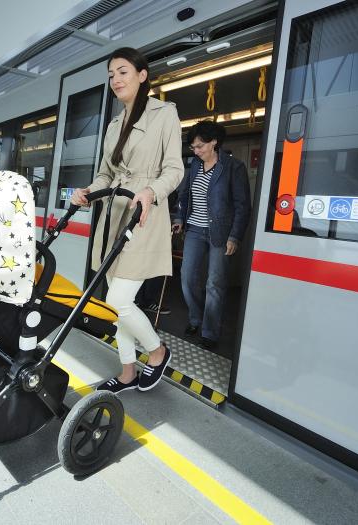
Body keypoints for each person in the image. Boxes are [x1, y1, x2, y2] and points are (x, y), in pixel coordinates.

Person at [70, 47, 183, 393]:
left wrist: (150, 191)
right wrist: (88, 191)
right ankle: (127, 373)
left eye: (122, 72)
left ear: (142, 75)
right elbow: (106, 174)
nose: (115, 80)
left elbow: (175, 169)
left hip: (144, 214)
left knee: (119, 300)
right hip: (115, 215)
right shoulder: (115, 123)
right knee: (115, 301)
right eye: (110, 75)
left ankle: (157, 351)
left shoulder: (165, 113)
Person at [172, 120, 251, 350]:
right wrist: (179, 219)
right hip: (195, 230)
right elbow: (184, 195)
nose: (196, 151)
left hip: (221, 232)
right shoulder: (195, 166)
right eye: (193, 147)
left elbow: (242, 206)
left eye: (200, 146)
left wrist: (235, 237)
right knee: (187, 278)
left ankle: (210, 332)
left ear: (214, 142)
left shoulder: (233, 167)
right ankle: (196, 319)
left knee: (214, 283)